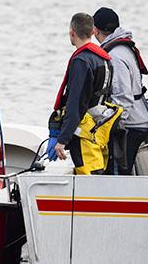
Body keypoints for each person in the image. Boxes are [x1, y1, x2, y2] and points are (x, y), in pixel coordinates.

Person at [47, 13, 119, 175]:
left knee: (87, 178)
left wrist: (62, 140)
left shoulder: (82, 61)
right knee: (97, 172)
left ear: (72, 32)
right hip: (99, 129)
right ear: (92, 32)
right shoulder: (104, 59)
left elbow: (76, 103)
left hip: (84, 134)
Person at [92, 7, 148, 175]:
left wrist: (111, 127)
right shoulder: (123, 48)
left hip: (129, 126)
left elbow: (123, 97)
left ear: (95, 30)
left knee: (116, 176)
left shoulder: (116, 56)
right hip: (137, 120)